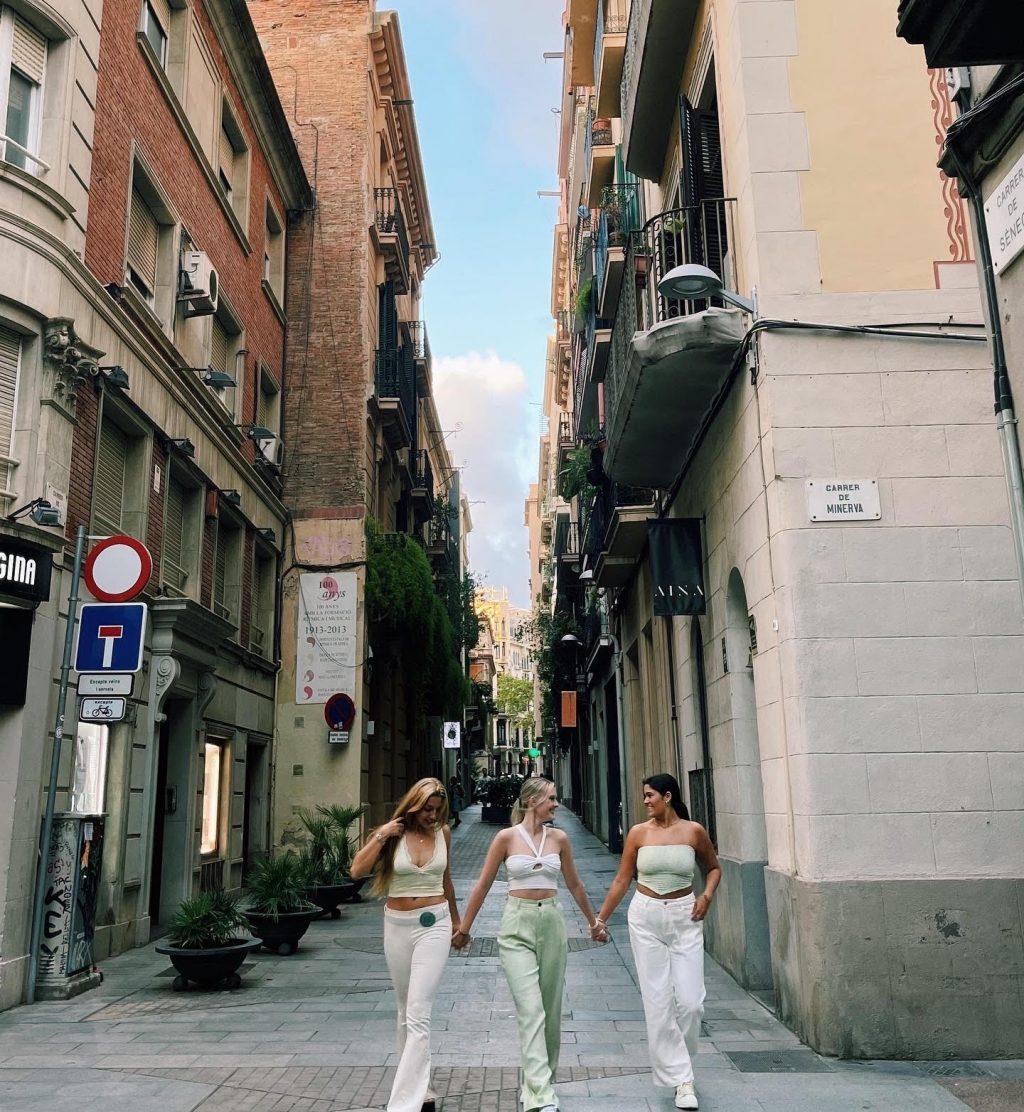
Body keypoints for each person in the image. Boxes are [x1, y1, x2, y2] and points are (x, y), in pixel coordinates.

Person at [453, 777, 608, 1112]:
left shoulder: (560, 839)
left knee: (550, 1011)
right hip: (516, 925)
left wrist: (593, 922)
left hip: (552, 922)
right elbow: (481, 885)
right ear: (531, 800)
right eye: (551, 798)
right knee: (531, 1009)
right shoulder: (505, 838)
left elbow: (576, 884)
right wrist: (464, 928)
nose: (556, 804)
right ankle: (541, 1095)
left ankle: (539, 1082)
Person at [593, 773, 721, 1111]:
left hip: (685, 917)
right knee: (658, 1001)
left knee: (691, 1003)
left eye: (650, 796)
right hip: (645, 916)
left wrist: (706, 896)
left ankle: (680, 1063)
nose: (646, 801)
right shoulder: (638, 833)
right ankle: (683, 1080)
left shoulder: (693, 832)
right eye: (645, 796)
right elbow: (622, 878)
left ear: (667, 796)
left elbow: (713, 868)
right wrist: (601, 918)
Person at [350, 778, 461, 1112]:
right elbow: (357, 870)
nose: (432, 816)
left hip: (435, 924)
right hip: (398, 926)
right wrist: (382, 834)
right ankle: (422, 1090)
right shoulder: (393, 835)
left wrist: (458, 923)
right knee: (404, 1012)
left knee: (418, 1013)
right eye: (427, 809)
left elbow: (446, 880)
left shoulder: (444, 834)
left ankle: (404, 1105)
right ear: (414, 805)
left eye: (438, 810)